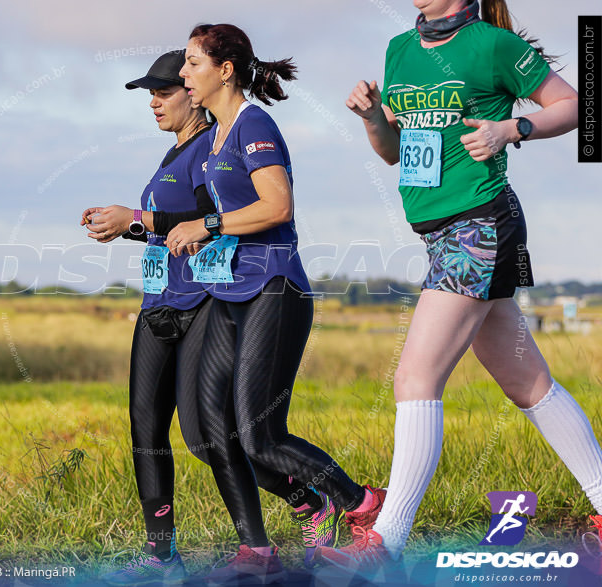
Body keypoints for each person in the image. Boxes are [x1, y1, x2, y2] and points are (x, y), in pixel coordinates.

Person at [319, 0, 602, 570]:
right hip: (439, 231)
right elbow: (397, 152)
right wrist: (374, 117)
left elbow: (576, 104)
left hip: (478, 223)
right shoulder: (400, 50)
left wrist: (510, 128)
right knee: (528, 384)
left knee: (415, 377)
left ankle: (385, 544)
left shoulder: (493, 45)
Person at [83, 50, 339, 586]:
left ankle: (282, 525)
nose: (155, 101)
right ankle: (162, 555)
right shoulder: (171, 154)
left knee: (212, 436)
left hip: (204, 302)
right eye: (150, 94)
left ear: (194, 93)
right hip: (158, 303)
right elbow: (174, 230)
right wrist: (124, 226)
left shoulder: (213, 147)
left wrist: (138, 217)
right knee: (146, 432)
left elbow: (209, 219)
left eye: (165, 91)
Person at [170, 24, 385, 585]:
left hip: (274, 289)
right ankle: (307, 510)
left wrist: (207, 222)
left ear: (225, 70)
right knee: (204, 433)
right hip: (228, 291)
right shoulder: (214, 135)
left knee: (260, 433)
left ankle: (362, 504)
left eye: (192, 64)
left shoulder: (254, 124)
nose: (183, 74)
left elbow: (278, 206)